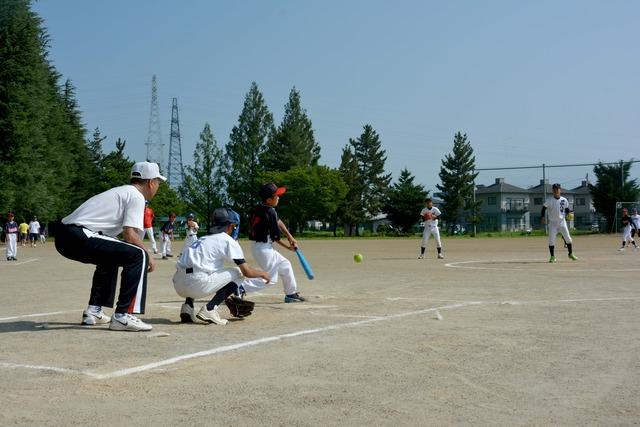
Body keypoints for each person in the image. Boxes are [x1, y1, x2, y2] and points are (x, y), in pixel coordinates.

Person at [54, 161, 165, 332]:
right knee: (139, 254)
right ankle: (123, 315)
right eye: (158, 182)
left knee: (111, 256)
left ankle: (94, 311)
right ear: (151, 182)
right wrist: (147, 254)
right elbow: (130, 235)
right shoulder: (136, 196)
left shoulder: (123, 191)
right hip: (78, 234)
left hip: (64, 236)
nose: (158, 186)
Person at [173, 207, 270, 325]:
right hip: (197, 284)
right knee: (238, 273)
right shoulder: (227, 240)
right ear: (229, 225)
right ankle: (210, 308)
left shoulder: (203, 238)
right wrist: (263, 273)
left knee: (205, 267)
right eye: (234, 225)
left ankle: (187, 307)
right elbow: (246, 272)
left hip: (178, 284)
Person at [248, 183, 306, 303]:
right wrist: (289, 247)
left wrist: (290, 236)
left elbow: (278, 222)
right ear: (269, 200)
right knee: (270, 279)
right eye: (276, 196)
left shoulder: (261, 207)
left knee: (285, 265)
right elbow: (276, 238)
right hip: (264, 248)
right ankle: (239, 288)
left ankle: (291, 294)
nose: (278, 198)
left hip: (261, 246)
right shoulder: (270, 211)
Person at [541, 183, 578, 262]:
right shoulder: (549, 200)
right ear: (552, 191)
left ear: (560, 190)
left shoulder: (564, 200)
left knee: (568, 238)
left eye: (557, 189)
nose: (556, 190)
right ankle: (552, 257)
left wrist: (570, 213)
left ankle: (570, 254)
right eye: (554, 189)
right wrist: (543, 217)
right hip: (553, 223)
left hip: (562, 222)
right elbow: (543, 208)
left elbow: (567, 209)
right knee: (551, 240)